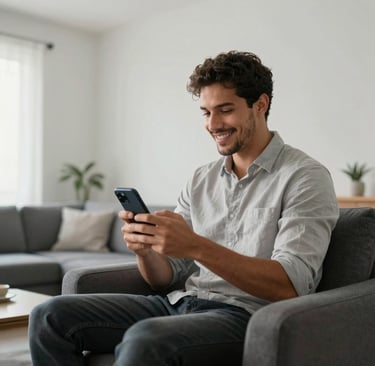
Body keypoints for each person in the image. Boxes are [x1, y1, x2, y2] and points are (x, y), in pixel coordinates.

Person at [29, 51, 339, 366]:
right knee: (49, 316)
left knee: (147, 339)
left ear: (260, 104)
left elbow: (290, 285)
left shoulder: (305, 176)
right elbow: (164, 279)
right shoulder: (201, 178)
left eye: (225, 110)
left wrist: (196, 246)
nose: (213, 124)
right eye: (205, 112)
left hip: (248, 316)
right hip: (181, 303)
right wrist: (145, 251)